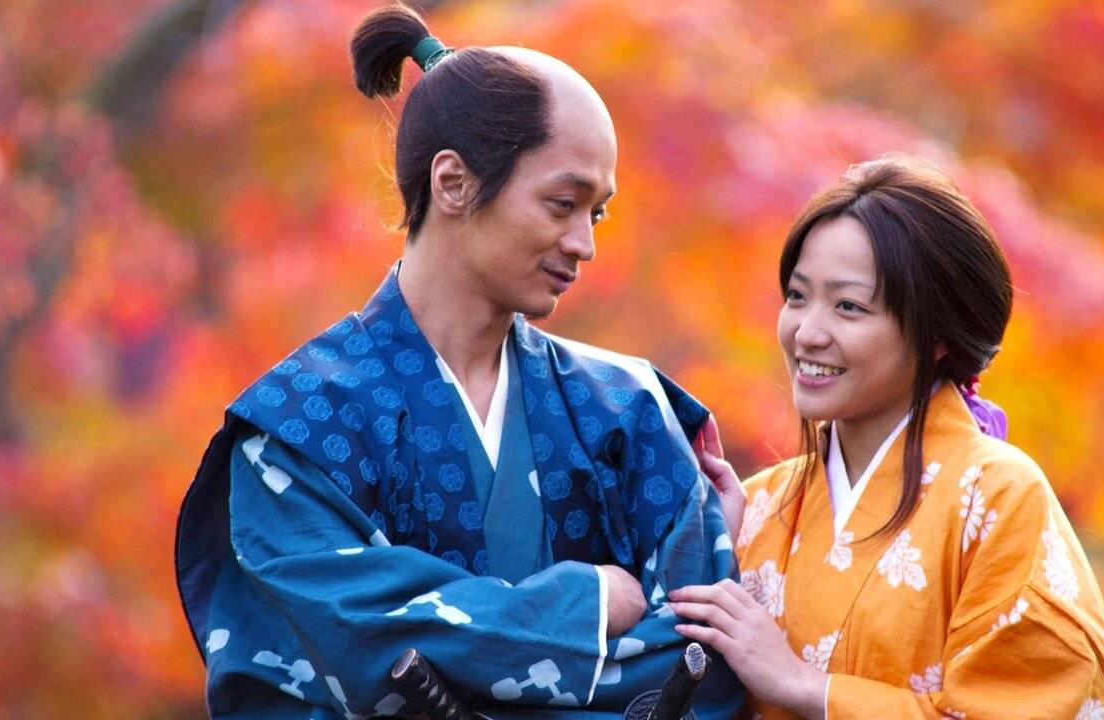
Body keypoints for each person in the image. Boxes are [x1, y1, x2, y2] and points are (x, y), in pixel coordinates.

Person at [174, 5, 741, 718]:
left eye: (595, 214)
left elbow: (701, 660)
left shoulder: (628, 409)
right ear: (452, 183)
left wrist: (454, 659)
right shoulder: (299, 428)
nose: (585, 244)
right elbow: (346, 643)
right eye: (562, 203)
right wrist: (583, 605)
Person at [674, 156, 1104, 719]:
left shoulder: (998, 498)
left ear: (937, 333)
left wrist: (805, 686)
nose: (807, 332)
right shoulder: (756, 506)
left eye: (848, 306)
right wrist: (706, 552)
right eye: (797, 296)